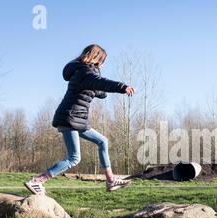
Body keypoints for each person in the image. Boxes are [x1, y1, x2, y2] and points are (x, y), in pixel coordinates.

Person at [24, 44, 135, 196]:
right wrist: (122, 87)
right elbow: (100, 83)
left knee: (103, 141)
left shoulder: (84, 73)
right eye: (102, 60)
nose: (103, 64)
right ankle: (37, 181)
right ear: (95, 59)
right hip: (70, 118)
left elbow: (98, 88)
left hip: (78, 120)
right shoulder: (84, 72)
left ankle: (110, 180)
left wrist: (101, 89)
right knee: (74, 158)